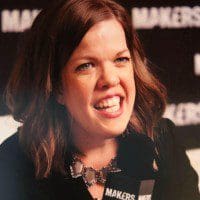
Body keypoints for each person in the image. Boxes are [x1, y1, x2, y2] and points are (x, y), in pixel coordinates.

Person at [0, 0, 199, 200]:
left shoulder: (163, 143)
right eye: (86, 65)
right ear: (56, 86)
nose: (110, 79)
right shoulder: (13, 164)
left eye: (120, 59)